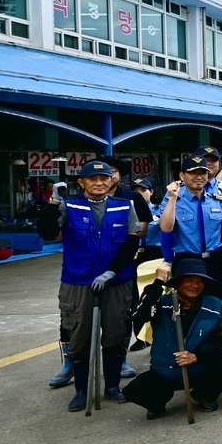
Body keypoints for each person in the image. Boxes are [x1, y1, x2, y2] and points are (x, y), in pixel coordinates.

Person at [58, 159, 143, 411]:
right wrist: (51, 206)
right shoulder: (68, 205)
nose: (99, 183)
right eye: (92, 179)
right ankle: (82, 390)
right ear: (81, 182)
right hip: (78, 281)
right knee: (79, 335)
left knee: (116, 334)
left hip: (116, 281)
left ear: (111, 180)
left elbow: (131, 243)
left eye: (104, 178)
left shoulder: (124, 206)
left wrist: (111, 272)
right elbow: (48, 229)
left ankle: (113, 386)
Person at [123, 258, 222, 417]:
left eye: (200, 281)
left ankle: (204, 395)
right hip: (165, 371)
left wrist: (196, 356)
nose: (195, 285)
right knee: (134, 390)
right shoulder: (161, 303)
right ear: (177, 283)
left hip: (199, 368)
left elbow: (219, 341)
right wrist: (157, 283)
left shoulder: (215, 306)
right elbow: (138, 316)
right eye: (190, 280)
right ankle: (158, 402)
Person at [158, 154, 222, 313]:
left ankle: (218, 339)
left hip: (215, 260)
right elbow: (166, 228)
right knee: (189, 307)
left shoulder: (217, 200)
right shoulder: (174, 199)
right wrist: (172, 198)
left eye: (203, 173)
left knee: (219, 305)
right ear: (182, 175)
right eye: (193, 173)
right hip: (188, 260)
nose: (199, 177)